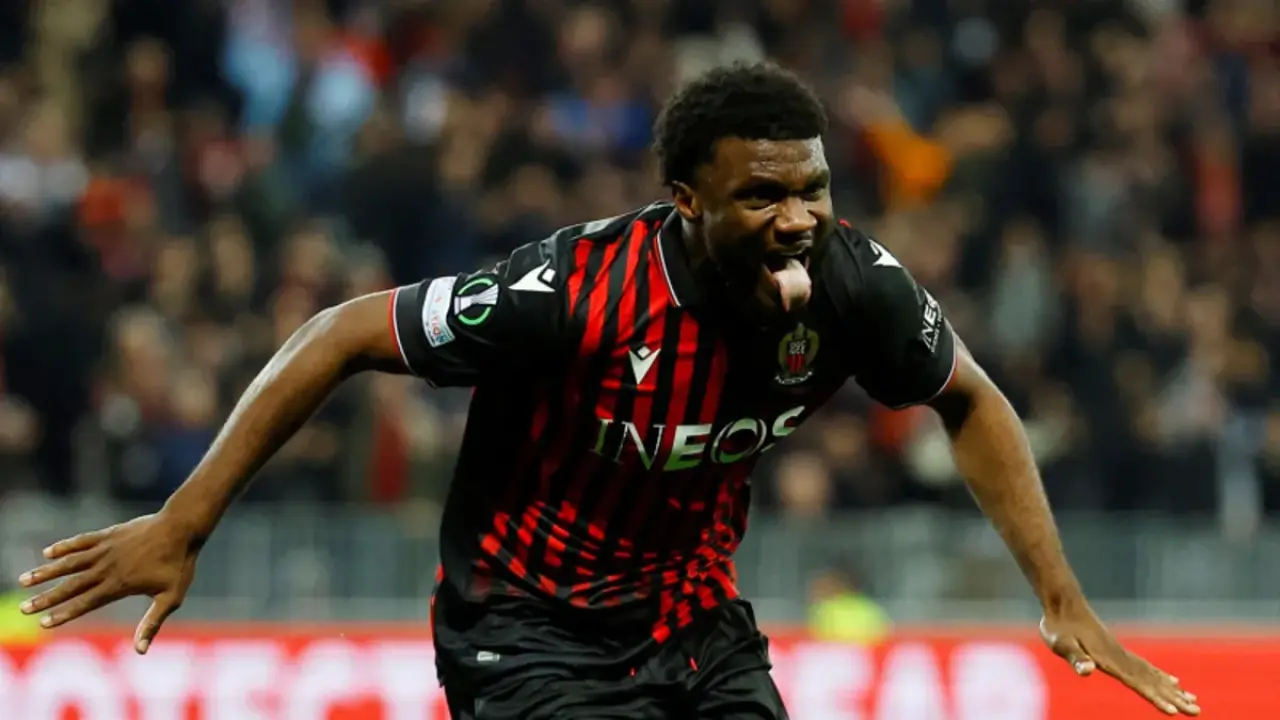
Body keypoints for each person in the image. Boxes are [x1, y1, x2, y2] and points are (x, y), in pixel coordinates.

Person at [17, 62, 1198, 718]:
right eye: (760, 196)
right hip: (524, 632)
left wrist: (1058, 595)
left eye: (813, 189)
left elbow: (970, 401)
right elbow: (336, 333)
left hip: (695, 625)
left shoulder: (855, 288)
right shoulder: (569, 295)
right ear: (686, 201)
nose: (798, 217)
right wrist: (187, 522)